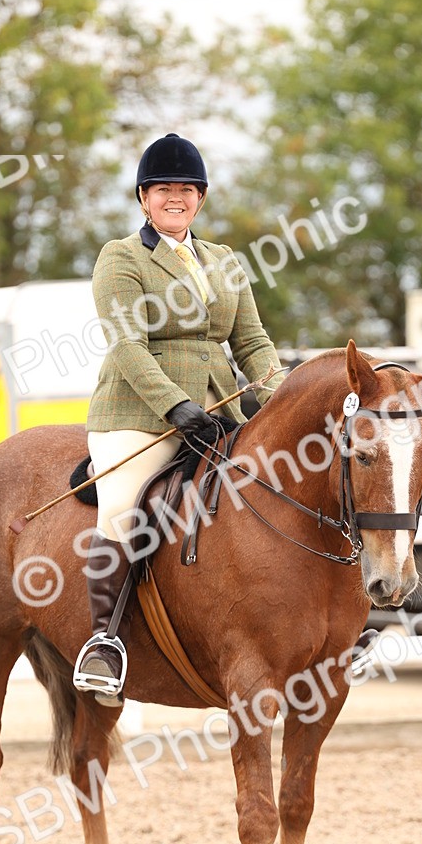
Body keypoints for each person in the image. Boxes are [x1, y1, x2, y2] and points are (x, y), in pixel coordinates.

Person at [73, 133, 284, 703]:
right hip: (139, 416)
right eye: (163, 188)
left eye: (186, 189)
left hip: (220, 412)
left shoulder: (224, 261)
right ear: (144, 198)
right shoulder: (121, 257)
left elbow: (254, 342)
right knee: (122, 507)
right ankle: (105, 643)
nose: (175, 197)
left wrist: (282, 398)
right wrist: (175, 407)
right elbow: (128, 345)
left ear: (201, 198)